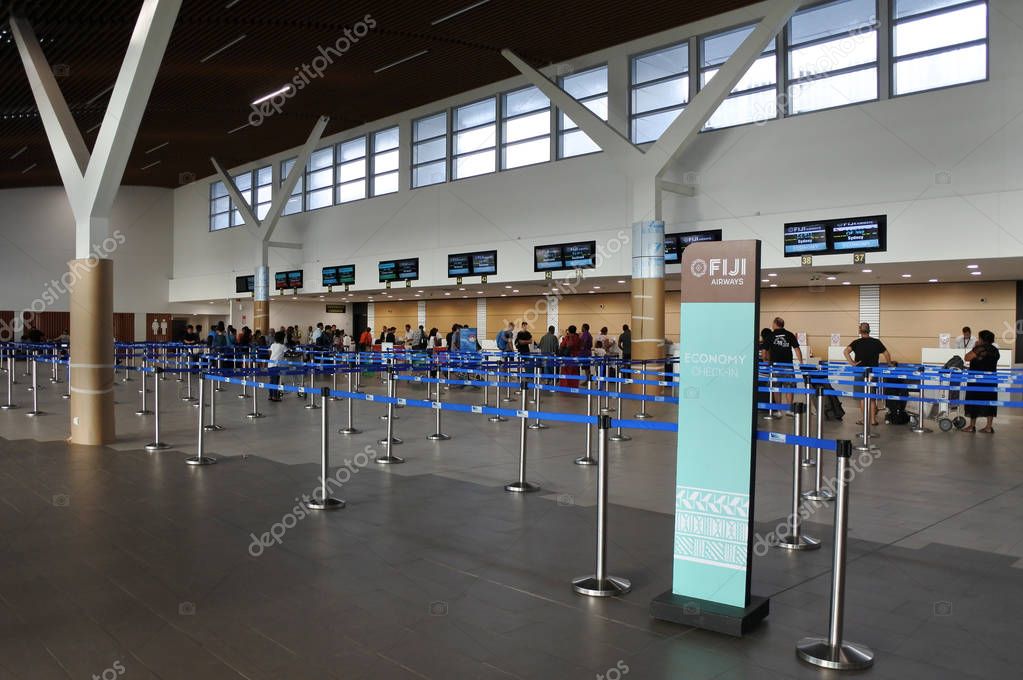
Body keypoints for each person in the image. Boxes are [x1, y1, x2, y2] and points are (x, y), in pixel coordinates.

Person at [844, 322, 892, 427]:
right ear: (869, 330)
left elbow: (845, 352)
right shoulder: (876, 342)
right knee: (872, 397)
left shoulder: (856, 342)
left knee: (862, 397)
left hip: (860, 371)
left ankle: (864, 419)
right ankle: (873, 420)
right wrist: (889, 363)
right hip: (872, 372)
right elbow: (886, 353)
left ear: (860, 331)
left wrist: (852, 363)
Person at [963, 329, 1000, 433]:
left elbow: (967, 357)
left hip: (977, 380)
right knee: (990, 402)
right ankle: (988, 427)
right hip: (991, 380)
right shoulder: (995, 350)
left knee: (973, 401)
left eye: (979, 338)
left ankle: (972, 426)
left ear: (982, 339)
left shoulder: (979, 348)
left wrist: (975, 347)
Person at [767, 318, 803, 411]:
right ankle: (789, 409)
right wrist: (801, 362)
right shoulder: (789, 334)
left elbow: (765, 350)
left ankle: (778, 410)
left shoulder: (770, 335)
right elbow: (797, 349)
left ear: (775, 324)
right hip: (788, 366)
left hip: (775, 366)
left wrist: (766, 360)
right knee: (789, 387)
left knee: (776, 388)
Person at [267, 331, 288, 401]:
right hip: (276, 366)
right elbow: (288, 353)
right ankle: (275, 396)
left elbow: (269, 352)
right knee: (276, 381)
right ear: (282, 339)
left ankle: (270, 395)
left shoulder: (273, 345)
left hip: (270, 364)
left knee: (271, 380)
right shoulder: (282, 346)